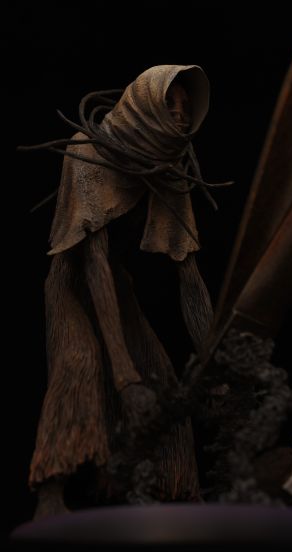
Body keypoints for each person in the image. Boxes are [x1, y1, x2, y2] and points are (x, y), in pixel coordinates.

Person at [28, 65, 227, 519]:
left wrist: (214, 365)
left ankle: (180, 491)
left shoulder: (170, 165)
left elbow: (189, 276)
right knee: (78, 363)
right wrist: (123, 377)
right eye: (170, 104)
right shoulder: (88, 150)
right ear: (146, 102)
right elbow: (92, 261)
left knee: (160, 375)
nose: (180, 115)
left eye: (186, 107)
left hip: (117, 284)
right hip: (72, 282)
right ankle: (50, 492)